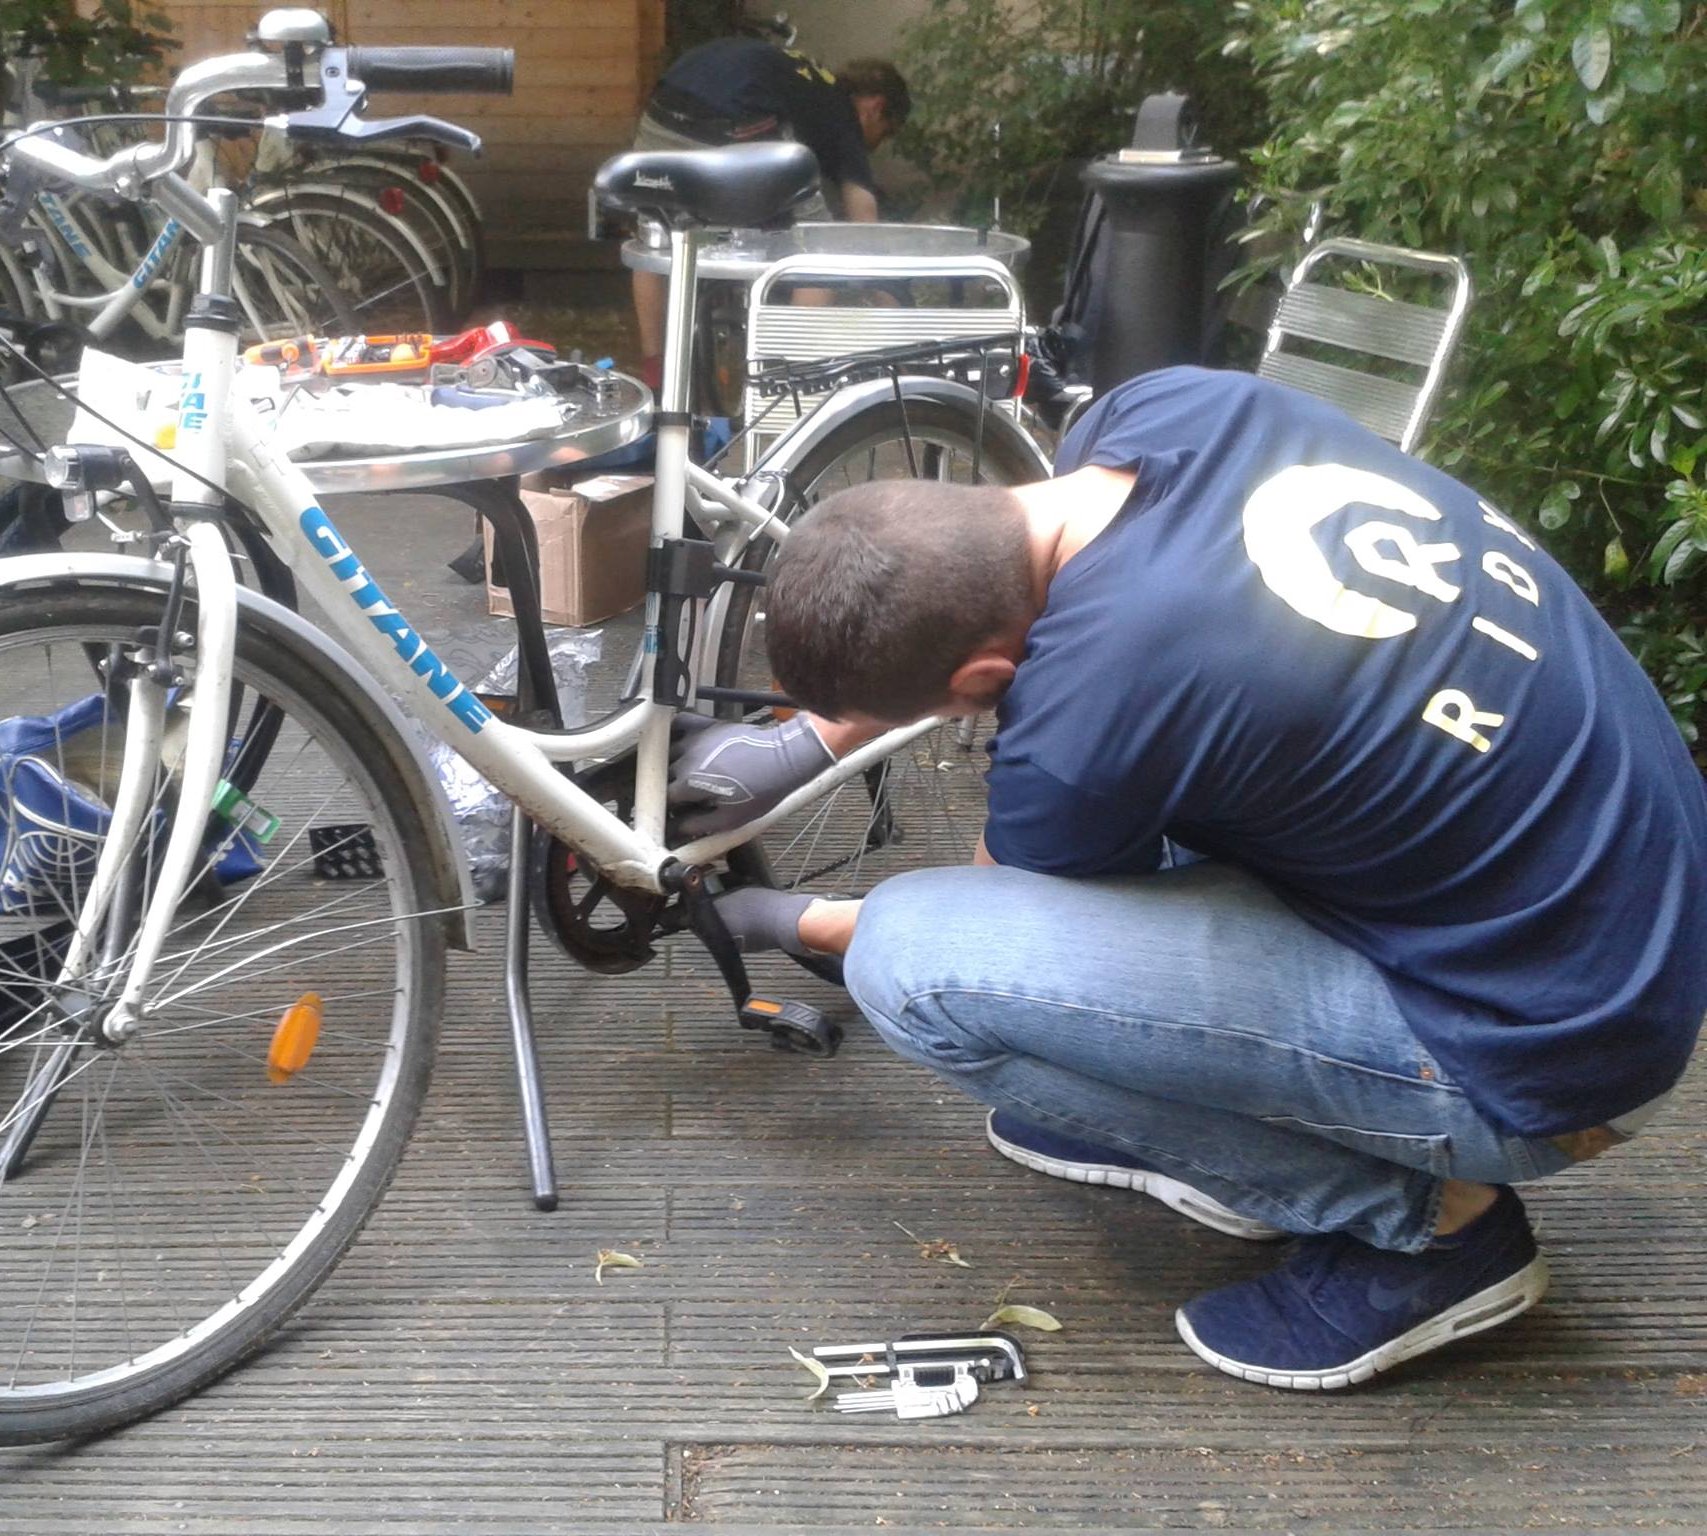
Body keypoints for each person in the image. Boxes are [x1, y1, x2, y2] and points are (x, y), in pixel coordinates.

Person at [667, 365, 1707, 1390]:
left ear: (979, 684)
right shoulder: (1165, 411)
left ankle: (1437, 1235)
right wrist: (801, 741)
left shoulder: (1097, 700)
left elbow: (995, 923)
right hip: (1611, 917)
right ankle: (1229, 1123)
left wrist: (780, 917)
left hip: (1547, 1063)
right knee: (1121, 848)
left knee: (912, 965)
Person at [625, 38, 911, 389]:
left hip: (661, 112)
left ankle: (655, 371)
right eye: (886, 133)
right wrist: (887, 292)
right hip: (733, 121)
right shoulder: (840, 112)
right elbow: (863, 218)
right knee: (820, 252)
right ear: (875, 107)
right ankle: (783, 377)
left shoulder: (804, 81)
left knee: (654, 238)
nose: (876, 145)